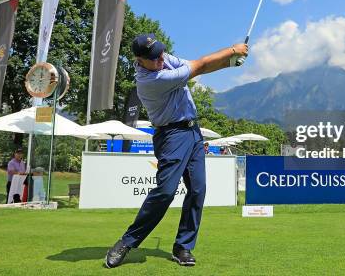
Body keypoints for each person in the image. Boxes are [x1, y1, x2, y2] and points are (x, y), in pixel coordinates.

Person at [104, 33, 248, 268]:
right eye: (154, 57)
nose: (161, 58)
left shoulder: (162, 58)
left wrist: (230, 62)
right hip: (171, 136)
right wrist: (232, 51)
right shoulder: (151, 80)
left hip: (193, 132)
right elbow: (200, 66)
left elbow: (204, 65)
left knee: (198, 189)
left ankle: (183, 247)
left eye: (161, 52)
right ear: (140, 60)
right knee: (165, 191)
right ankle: (127, 241)